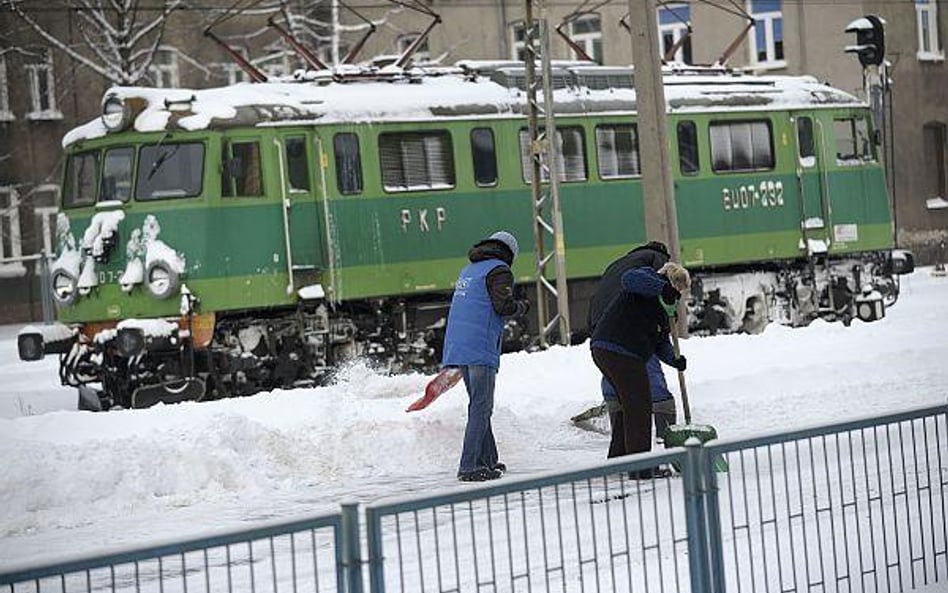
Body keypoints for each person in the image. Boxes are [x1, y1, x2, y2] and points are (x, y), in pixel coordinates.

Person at [442, 231, 530, 482]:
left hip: (459, 344)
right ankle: (468, 467)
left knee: (479, 405)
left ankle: (488, 460)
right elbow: (503, 306)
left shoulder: (469, 270)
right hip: (479, 344)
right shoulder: (499, 271)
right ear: (509, 253)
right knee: (481, 407)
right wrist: (523, 306)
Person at [590, 261, 690, 477]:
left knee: (629, 405)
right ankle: (641, 468)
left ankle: (619, 461)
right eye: (679, 288)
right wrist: (663, 288)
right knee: (640, 406)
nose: (679, 295)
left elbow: (660, 343)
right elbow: (629, 279)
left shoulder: (665, 310)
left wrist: (675, 360)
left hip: (613, 351)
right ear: (672, 281)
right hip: (619, 349)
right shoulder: (647, 279)